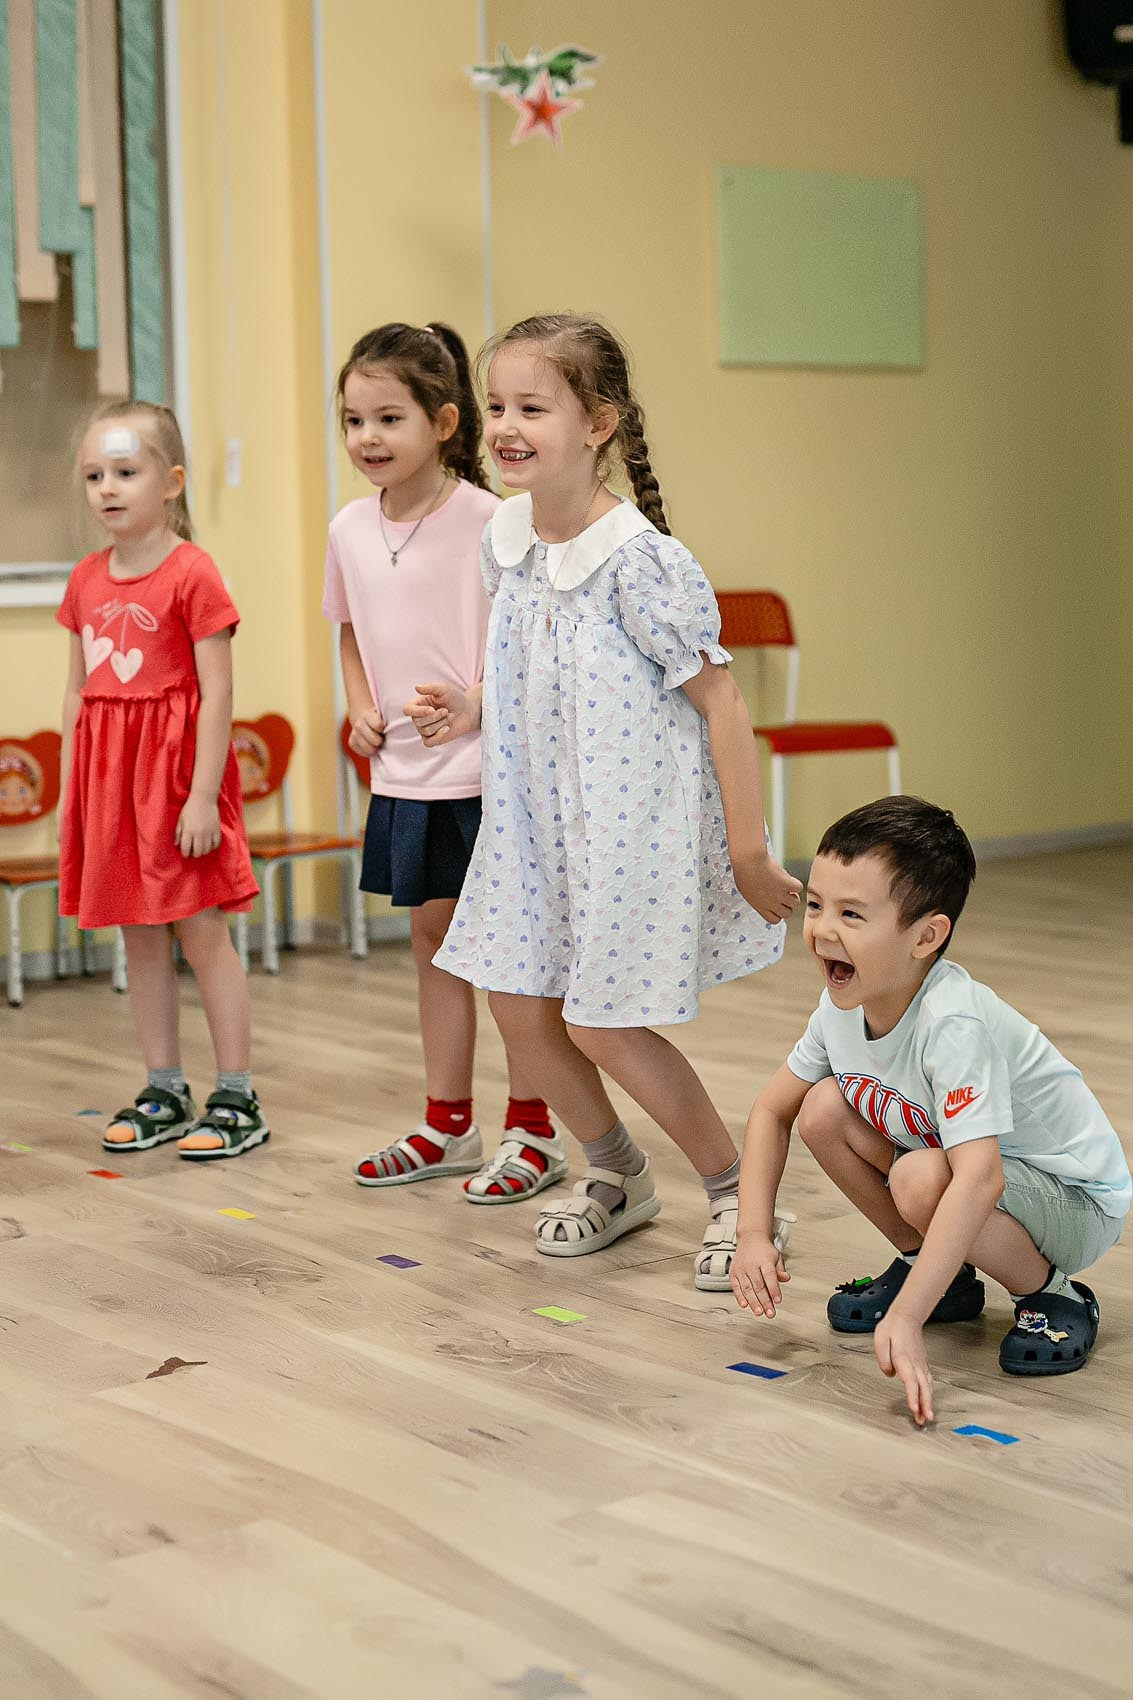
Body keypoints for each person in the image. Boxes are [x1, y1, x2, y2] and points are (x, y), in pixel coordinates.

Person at [407, 313, 801, 1285]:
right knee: (517, 1004)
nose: (503, 424)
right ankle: (617, 1173)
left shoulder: (639, 561)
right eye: (496, 405)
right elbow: (530, 670)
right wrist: (468, 706)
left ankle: (733, 1192)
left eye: (531, 406)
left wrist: (748, 851)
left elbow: (722, 702)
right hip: (532, 821)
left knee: (598, 1020)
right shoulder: (508, 539)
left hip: (622, 829)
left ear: (598, 423)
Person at [731, 795, 1131, 1424]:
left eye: (853, 914)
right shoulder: (840, 1005)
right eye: (816, 904)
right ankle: (936, 1272)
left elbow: (982, 1177)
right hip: (988, 1186)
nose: (822, 929)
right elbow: (770, 1112)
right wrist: (752, 1234)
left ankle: (1053, 1296)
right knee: (823, 1108)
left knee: (921, 1177)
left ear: (926, 936)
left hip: (1076, 1201)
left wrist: (906, 1316)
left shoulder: (953, 1022)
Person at [324, 322, 562, 1202]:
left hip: (489, 775)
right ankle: (447, 1125)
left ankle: (534, 1132)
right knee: (431, 943)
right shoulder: (350, 528)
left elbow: (525, 640)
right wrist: (356, 702)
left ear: (445, 421)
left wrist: (471, 701)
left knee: (509, 956)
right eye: (353, 421)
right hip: (404, 778)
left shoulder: (494, 519)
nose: (368, 439)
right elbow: (349, 630)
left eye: (389, 418)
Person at [59, 402, 267, 1159]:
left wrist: (203, 795)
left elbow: (218, 694)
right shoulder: (85, 580)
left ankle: (237, 1094)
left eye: (124, 471)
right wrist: (72, 798)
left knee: (201, 933)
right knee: (137, 939)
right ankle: (165, 1087)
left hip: (178, 787)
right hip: (110, 791)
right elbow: (80, 693)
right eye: (93, 475)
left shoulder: (192, 573)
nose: (106, 488)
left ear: (171, 481)